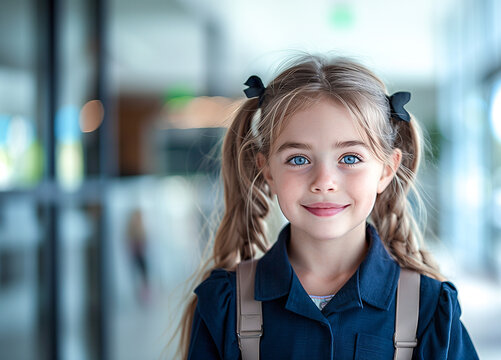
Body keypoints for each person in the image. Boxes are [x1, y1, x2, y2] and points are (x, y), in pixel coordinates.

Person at [177, 55, 478, 359]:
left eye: (350, 158)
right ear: (267, 170)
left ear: (387, 170)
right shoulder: (226, 306)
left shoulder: (427, 308)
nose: (324, 182)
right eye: (298, 159)